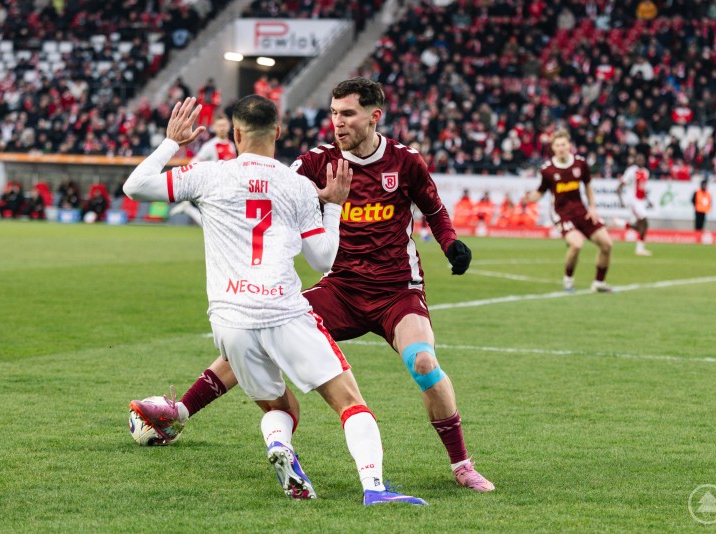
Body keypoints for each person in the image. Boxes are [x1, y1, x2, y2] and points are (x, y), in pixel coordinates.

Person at [138, 78, 494, 493]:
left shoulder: (404, 161)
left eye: (347, 114)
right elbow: (275, 189)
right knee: (263, 329)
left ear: (374, 116)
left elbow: (434, 209)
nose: (337, 122)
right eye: (333, 113)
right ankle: (179, 412)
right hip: (340, 287)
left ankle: (462, 464)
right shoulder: (313, 162)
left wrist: (451, 244)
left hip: (397, 290)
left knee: (423, 364)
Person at [524, 130, 614, 293]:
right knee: (577, 244)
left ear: (569, 146)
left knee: (607, 244)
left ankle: (599, 283)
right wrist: (529, 198)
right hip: (562, 213)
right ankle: (568, 280)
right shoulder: (547, 170)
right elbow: (541, 191)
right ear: (553, 147)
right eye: (557, 145)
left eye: (563, 144)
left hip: (581, 210)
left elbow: (588, 185)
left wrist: (593, 208)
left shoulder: (580, 163)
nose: (561, 148)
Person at [170, 115, 237, 224]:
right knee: (216, 223)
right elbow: (194, 162)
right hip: (216, 187)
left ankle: (188, 209)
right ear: (214, 128)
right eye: (219, 125)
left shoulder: (231, 145)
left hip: (229, 186)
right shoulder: (210, 146)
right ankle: (189, 209)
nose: (222, 128)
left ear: (229, 126)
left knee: (220, 223)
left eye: (224, 125)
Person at [617, 154, 653, 256]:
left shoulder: (646, 172)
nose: (640, 161)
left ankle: (623, 224)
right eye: (638, 159)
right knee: (644, 222)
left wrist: (648, 200)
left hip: (640, 201)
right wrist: (621, 201)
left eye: (642, 159)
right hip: (633, 200)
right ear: (636, 160)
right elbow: (620, 185)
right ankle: (640, 249)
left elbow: (643, 188)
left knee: (641, 225)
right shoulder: (631, 171)